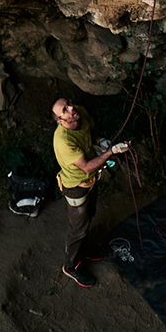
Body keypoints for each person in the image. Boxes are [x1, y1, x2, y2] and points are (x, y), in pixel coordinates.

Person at [51, 96, 129, 288]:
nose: (71, 108)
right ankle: (70, 266)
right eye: (65, 110)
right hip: (76, 186)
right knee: (78, 228)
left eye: (69, 103)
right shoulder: (63, 141)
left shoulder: (81, 114)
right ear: (60, 121)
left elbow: (88, 135)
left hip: (90, 180)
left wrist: (100, 142)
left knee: (90, 214)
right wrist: (110, 152)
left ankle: (84, 250)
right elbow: (86, 167)